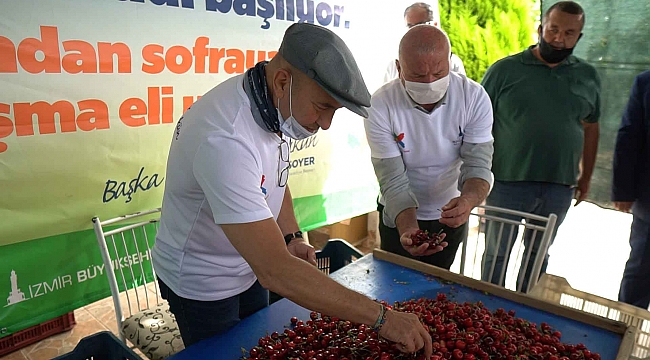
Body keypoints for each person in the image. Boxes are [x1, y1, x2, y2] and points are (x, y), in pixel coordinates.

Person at [150, 23, 434, 356]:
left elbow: (273, 180)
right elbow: (275, 271)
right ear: (284, 80)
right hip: (203, 283)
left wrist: (291, 237)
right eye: (323, 107)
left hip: (248, 265)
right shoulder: (225, 140)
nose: (326, 123)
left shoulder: (270, 102)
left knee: (262, 345)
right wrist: (383, 319)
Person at [480, 1, 600, 292]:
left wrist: (585, 177)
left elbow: (591, 126)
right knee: (497, 253)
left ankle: (524, 314)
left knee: (538, 256)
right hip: (506, 181)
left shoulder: (587, 76)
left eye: (569, 33)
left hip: (559, 185)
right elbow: (476, 123)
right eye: (553, 29)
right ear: (540, 29)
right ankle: (486, 307)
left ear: (579, 37)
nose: (559, 38)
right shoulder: (504, 71)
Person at [365, 24, 494, 270]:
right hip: (398, 214)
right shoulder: (380, 105)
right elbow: (392, 178)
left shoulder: (474, 98)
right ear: (399, 68)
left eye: (438, 72)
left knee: (439, 286)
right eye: (418, 76)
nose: (430, 83)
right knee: (396, 284)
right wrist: (408, 229)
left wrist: (467, 201)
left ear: (450, 61)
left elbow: (478, 164)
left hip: (451, 211)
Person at [613, 70, 650, 309]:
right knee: (640, 272)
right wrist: (623, 191)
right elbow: (629, 136)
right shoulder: (646, 82)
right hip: (649, 202)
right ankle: (625, 334)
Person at [384, 2, 466, 83]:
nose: (415, 30)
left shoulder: (453, 63)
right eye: (410, 26)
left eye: (420, 25)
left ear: (434, 24)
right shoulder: (393, 68)